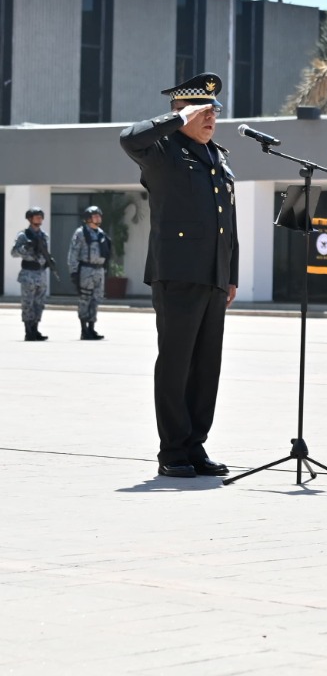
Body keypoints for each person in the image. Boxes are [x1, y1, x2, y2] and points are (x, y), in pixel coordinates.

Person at [117, 71, 238, 479]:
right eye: (203, 111)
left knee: (206, 367)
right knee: (176, 364)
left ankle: (195, 446)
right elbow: (128, 138)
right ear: (181, 112)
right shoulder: (163, 151)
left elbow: (228, 222)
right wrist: (177, 119)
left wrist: (231, 274)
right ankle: (172, 450)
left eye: (214, 111)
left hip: (214, 276)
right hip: (178, 274)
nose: (211, 118)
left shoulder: (217, 157)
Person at [69, 204, 111, 340]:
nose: (98, 218)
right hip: (86, 270)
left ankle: (92, 328)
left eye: (99, 216)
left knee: (96, 299)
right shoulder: (81, 233)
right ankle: (84, 329)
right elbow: (73, 253)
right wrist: (74, 272)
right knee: (85, 299)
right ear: (88, 218)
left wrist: (105, 269)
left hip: (99, 270)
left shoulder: (101, 233)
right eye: (95, 216)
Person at [12, 205, 53, 341]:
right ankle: (28, 331)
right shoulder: (23, 235)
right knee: (28, 303)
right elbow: (14, 252)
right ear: (30, 219)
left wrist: (49, 260)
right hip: (28, 273)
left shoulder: (44, 236)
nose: (39, 219)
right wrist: (26, 247)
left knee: (39, 303)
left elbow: (45, 252)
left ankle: (35, 329)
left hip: (41, 273)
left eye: (41, 217)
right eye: (36, 217)